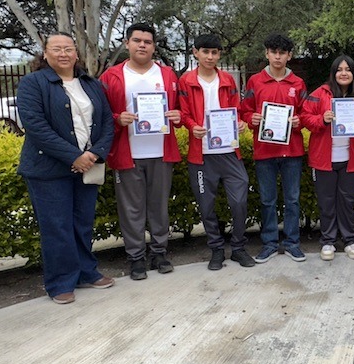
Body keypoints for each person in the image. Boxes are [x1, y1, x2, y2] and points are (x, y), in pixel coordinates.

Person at [16, 32, 115, 304]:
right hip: (48, 170)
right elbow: (36, 127)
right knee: (56, 227)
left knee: (82, 224)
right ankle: (60, 282)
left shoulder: (90, 83)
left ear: (76, 53)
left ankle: (86, 272)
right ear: (45, 54)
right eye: (57, 49)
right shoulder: (33, 83)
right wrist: (74, 156)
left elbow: (107, 122)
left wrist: (95, 153)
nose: (63, 54)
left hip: (88, 166)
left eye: (68, 49)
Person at [100, 23, 182, 281]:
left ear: (154, 46)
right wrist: (117, 118)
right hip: (128, 153)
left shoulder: (168, 75)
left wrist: (178, 116)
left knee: (159, 207)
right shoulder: (112, 76)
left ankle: (159, 253)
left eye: (147, 41)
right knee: (131, 210)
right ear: (127, 44)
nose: (142, 45)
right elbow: (100, 114)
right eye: (137, 40)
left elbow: (181, 109)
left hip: (161, 152)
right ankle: (136, 257)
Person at [178, 34, 255, 270]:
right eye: (205, 52)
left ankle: (239, 248)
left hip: (229, 151)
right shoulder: (186, 81)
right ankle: (216, 250)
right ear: (196, 53)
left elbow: (237, 109)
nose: (210, 57)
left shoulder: (228, 80)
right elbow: (183, 113)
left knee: (239, 201)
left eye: (214, 52)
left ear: (219, 54)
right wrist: (192, 127)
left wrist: (240, 123)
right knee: (206, 204)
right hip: (201, 154)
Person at [239, 33, 307, 263]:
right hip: (264, 151)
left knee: (292, 199)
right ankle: (269, 243)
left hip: (292, 151)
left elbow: (306, 113)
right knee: (267, 200)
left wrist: (298, 121)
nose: (278, 57)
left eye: (282, 53)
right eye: (273, 52)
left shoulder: (298, 83)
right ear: (266, 54)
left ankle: (292, 243)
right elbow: (244, 110)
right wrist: (252, 118)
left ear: (289, 56)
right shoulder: (255, 82)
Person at [301, 55, 354, 261]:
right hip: (324, 158)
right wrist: (322, 119)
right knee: (327, 201)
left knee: (347, 201)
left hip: (350, 158)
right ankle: (328, 241)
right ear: (333, 73)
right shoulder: (319, 93)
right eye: (339, 70)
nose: (344, 73)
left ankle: (349, 240)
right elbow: (305, 118)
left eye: (348, 69)